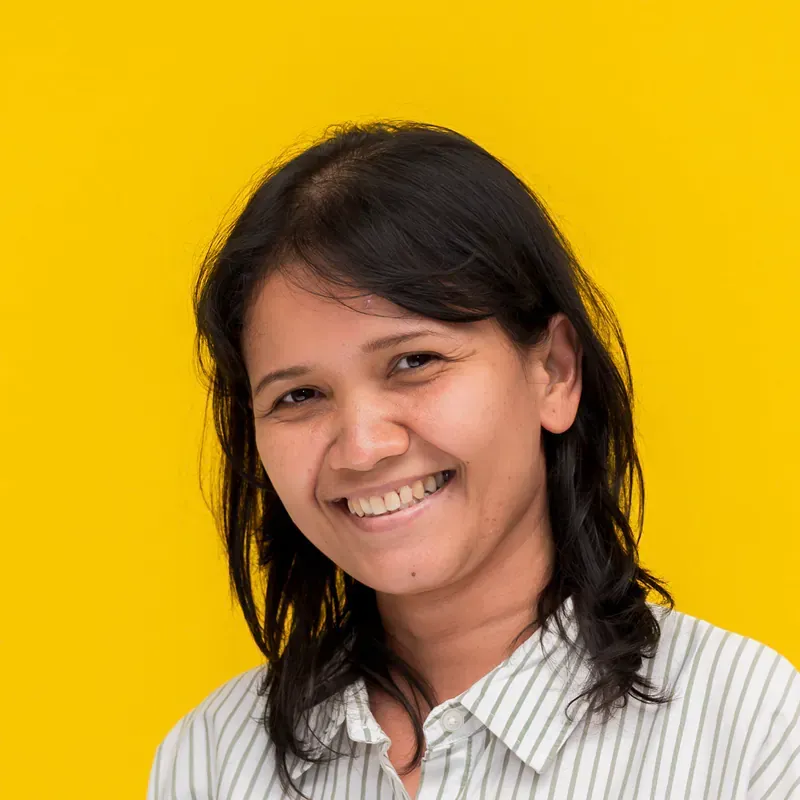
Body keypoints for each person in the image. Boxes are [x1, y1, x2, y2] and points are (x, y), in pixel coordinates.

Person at [146, 121, 800, 799]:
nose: (364, 447)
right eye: (300, 395)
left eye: (413, 362)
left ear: (553, 371)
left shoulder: (751, 731)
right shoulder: (214, 761)